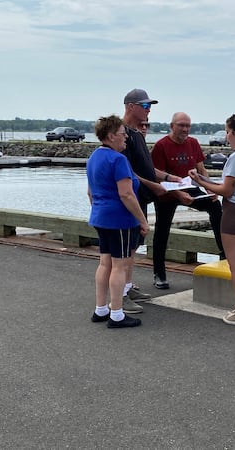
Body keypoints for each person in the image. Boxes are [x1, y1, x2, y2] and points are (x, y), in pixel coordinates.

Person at [188, 105, 235, 326]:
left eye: (227, 131)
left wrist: (200, 181)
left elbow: (227, 191)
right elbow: (232, 186)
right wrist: (212, 186)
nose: (226, 136)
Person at [120, 89, 193, 311]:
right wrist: (155, 186)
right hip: (130, 197)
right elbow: (128, 173)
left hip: (142, 197)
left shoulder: (137, 134)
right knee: (123, 252)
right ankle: (119, 296)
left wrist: (171, 178)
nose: (148, 109)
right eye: (144, 105)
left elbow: (148, 168)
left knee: (133, 247)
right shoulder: (123, 135)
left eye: (149, 106)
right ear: (130, 106)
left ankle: (128, 286)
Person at [86, 115, 149, 328]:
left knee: (105, 263)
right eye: (123, 134)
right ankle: (117, 314)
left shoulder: (94, 157)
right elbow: (127, 195)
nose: (126, 139)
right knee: (120, 267)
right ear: (111, 136)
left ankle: (101, 308)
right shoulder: (118, 160)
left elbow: (90, 192)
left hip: (100, 217)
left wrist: (99, 209)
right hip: (119, 220)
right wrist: (143, 221)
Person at [150, 112, 224, 289]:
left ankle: (224, 253)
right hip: (167, 192)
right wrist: (178, 195)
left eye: (187, 126)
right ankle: (159, 273)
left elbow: (201, 169)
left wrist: (210, 188)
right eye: (181, 125)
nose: (185, 129)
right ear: (172, 126)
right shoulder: (161, 146)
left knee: (215, 205)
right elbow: (157, 177)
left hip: (189, 186)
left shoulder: (193, 143)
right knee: (162, 230)